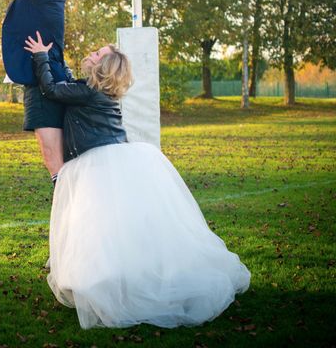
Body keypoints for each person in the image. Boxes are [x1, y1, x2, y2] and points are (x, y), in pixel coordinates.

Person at [24, 32, 251, 329]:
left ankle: (111, 278)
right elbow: (67, 84)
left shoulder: (89, 93)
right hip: (114, 159)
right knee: (115, 225)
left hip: (100, 163)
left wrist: (41, 56)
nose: (91, 54)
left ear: (103, 67)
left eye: (97, 54)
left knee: (101, 224)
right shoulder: (94, 91)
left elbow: (52, 89)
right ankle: (118, 273)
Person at [2, 0, 71, 188]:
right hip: (45, 76)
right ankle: (68, 195)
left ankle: (67, 198)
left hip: (44, 80)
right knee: (52, 149)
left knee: (51, 150)